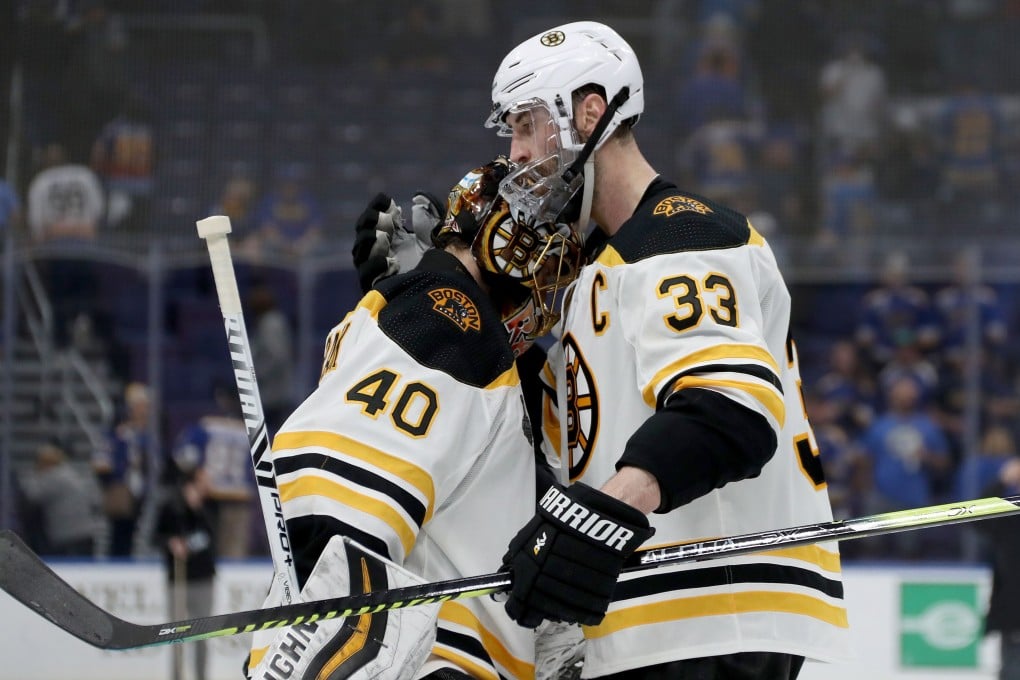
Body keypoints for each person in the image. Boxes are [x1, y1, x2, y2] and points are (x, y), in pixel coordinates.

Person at [485, 21, 850, 677]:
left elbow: (726, 412)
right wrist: (442, 312)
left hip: (715, 608)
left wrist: (596, 521)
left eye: (524, 124)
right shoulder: (602, 268)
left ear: (587, 113)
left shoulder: (681, 234)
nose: (514, 153)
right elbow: (558, 441)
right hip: (658, 618)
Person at [246, 158, 583, 680]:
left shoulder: (457, 330)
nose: (545, 287)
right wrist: (317, 649)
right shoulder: (451, 317)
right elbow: (337, 490)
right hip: (433, 660)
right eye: (540, 256)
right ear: (501, 240)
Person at [170, 382, 255, 559]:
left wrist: (193, 478)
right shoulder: (248, 429)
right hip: (238, 495)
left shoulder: (206, 426)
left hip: (210, 494)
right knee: (234, 554)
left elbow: (183, 456)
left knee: (208, 549)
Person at [154, 463, 217, 680]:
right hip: (179, 581)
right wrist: (171, 543)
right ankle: (177, 676)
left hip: (203, 579)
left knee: (201, 635)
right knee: (177, 635)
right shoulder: (171, 508)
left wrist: (196, 510)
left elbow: (211, 535)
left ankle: (201, 676)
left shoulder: (209, 506)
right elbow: (157, 536)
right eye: (202, 481)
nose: (207, 485)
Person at [92, 381, 154, 556]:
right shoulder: (120, 433)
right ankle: (118, 558)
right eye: (141, 406)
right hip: (122, 487)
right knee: (120, 530)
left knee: (132, 530)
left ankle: (126, 556)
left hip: (138, 488)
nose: (145, 411)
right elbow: (104, 460)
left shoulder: (145, 434)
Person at [18, 441, 101, 556]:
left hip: (69, 535)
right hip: (84, 532)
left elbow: (33, 495)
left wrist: (32, 476)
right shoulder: (69, 473)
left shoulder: (53, 477)